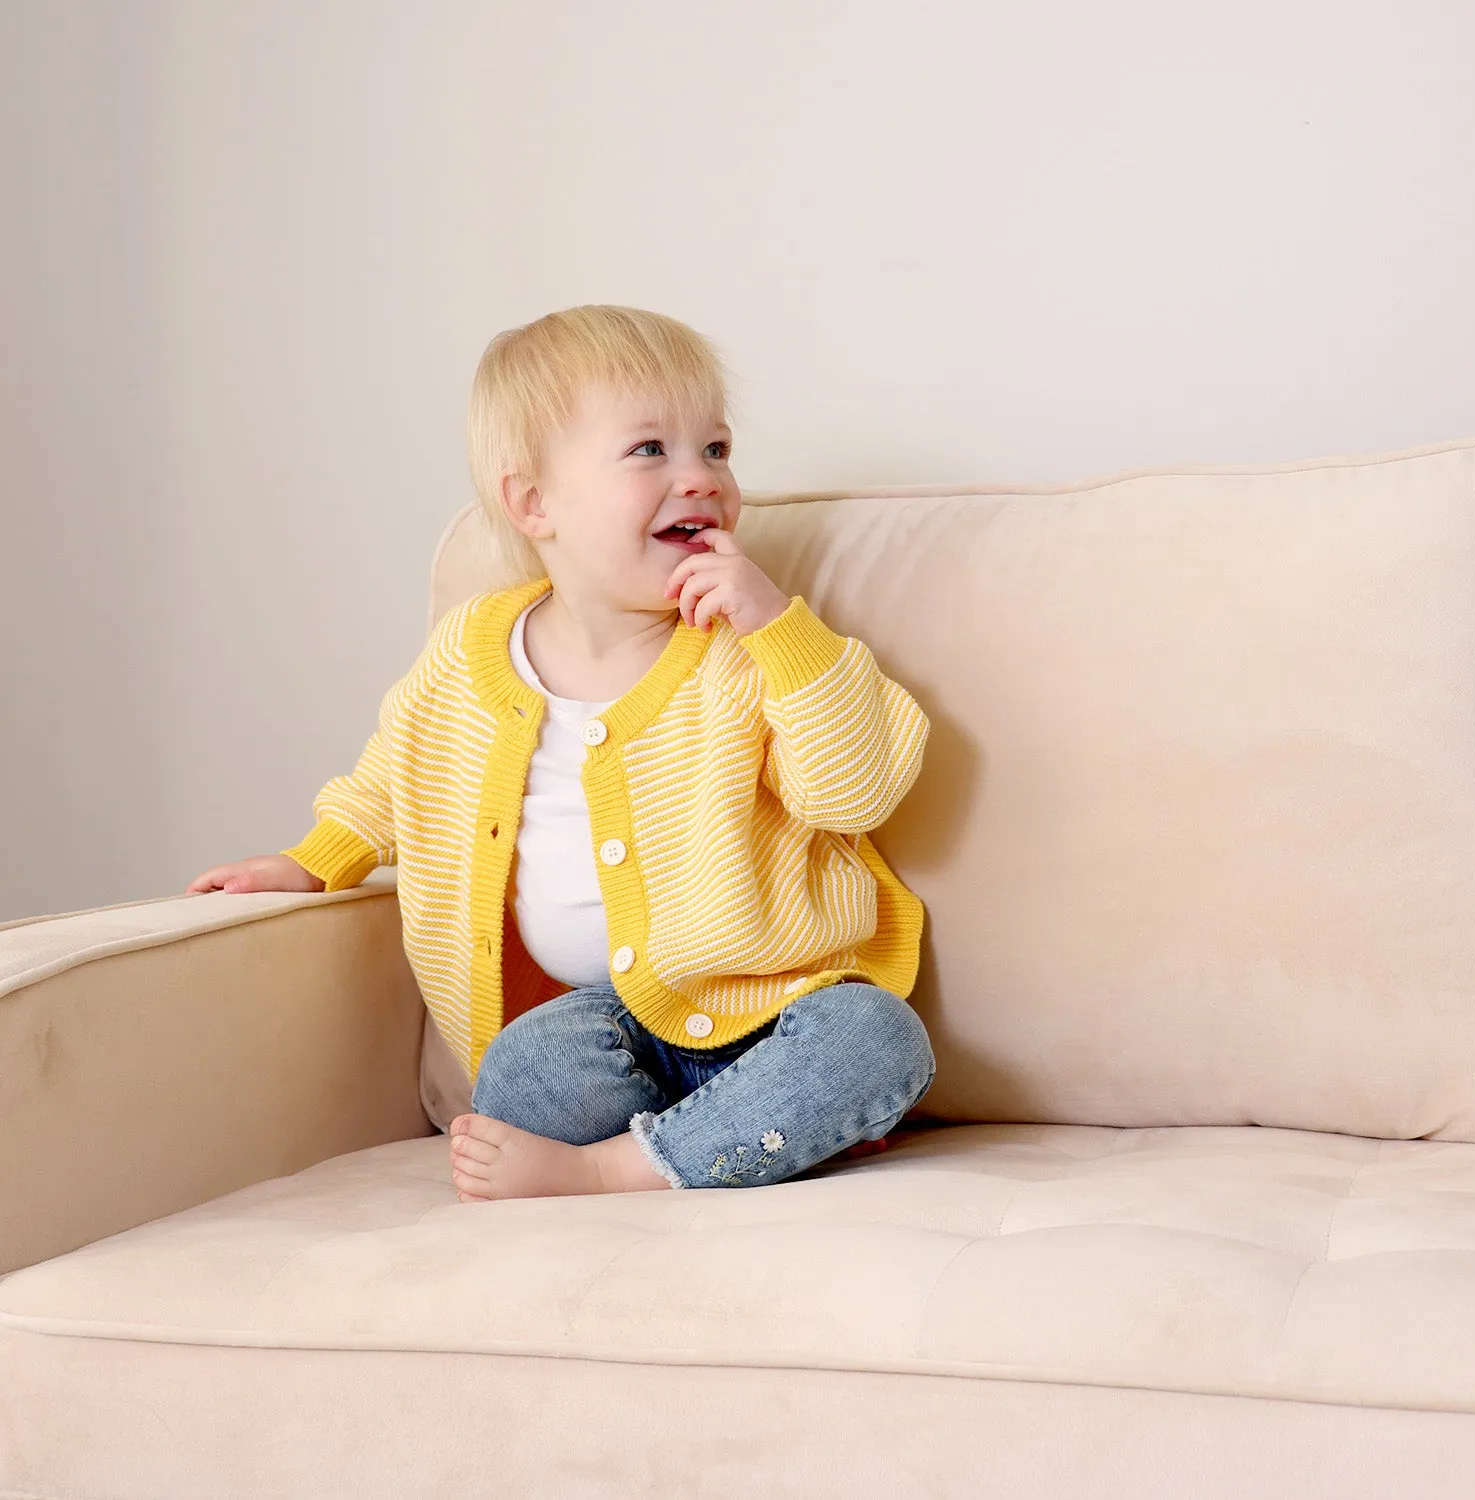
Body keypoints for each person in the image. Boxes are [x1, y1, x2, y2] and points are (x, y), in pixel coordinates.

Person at [188, 304, 935, 1200]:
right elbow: (397, 778)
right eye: (650, 450)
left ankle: (626, 1168)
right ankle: (750, 1139)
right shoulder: (473, 651)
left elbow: (856, 792)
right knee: (519, 1070)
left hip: (777, 1009)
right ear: (533, 503)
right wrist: (312, 863)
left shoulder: (747, 647)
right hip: (607, 1029)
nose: (699, 478)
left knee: (879, 1040)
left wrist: (781, 630)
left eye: (717, 449)